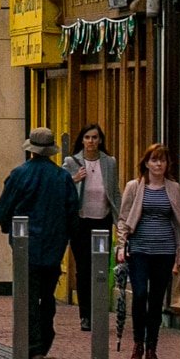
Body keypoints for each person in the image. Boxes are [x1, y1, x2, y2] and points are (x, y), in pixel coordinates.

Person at [0, 128, 79, 359]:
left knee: (28, 294)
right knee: (47, 293)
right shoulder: (62, 177)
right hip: (54, 244)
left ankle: (31, 343)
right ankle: (44, 338)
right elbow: (73, 213)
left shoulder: (19, 174)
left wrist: (8, 229)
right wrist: (68, 237)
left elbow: (3, 209)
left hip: (25, 245)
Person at [117, 145, 180, 359]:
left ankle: (152, 348)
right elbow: (123, 219)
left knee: (157, 298)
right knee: (140, 294)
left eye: (163, 160)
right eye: (154, 160)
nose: (158, 164)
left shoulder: (174, 188)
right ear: (146, 163)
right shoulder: (134, 187)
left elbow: (178, 221)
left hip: (165, 250)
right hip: (140, 249)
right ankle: (138, 343)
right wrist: (121, 245)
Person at [65, 122, 120, 330]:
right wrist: (74, 179)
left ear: (100, 140)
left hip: (102, 221)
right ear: (82, 140)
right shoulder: (72, 161)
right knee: (83, 269)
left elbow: (114, 191)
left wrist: (119, 221)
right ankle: (85, 315)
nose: (91, 141)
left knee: (101, 269)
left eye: (95, 137)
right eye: (87, 137)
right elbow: (63, 187)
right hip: (81, 222)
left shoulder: (109, 162)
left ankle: (99, 312)